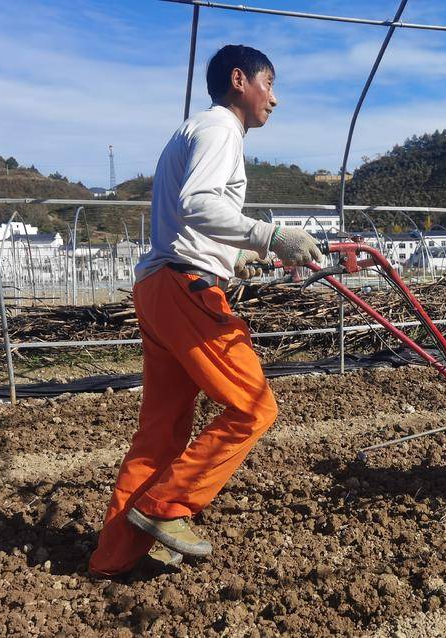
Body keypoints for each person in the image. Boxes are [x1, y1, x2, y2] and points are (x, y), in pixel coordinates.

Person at [89, 45, 322, 577]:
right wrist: (270, 235)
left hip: (160, 286)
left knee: (161, 433)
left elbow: (189, 220)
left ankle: (114, 557)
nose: (274, 99)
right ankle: (165, 507)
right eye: (269, 84)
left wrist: (237, 258)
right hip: (185, 290)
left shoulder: (192, 129)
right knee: (254, 408)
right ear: (240, 80)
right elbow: (198, 204)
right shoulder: (221, 129)